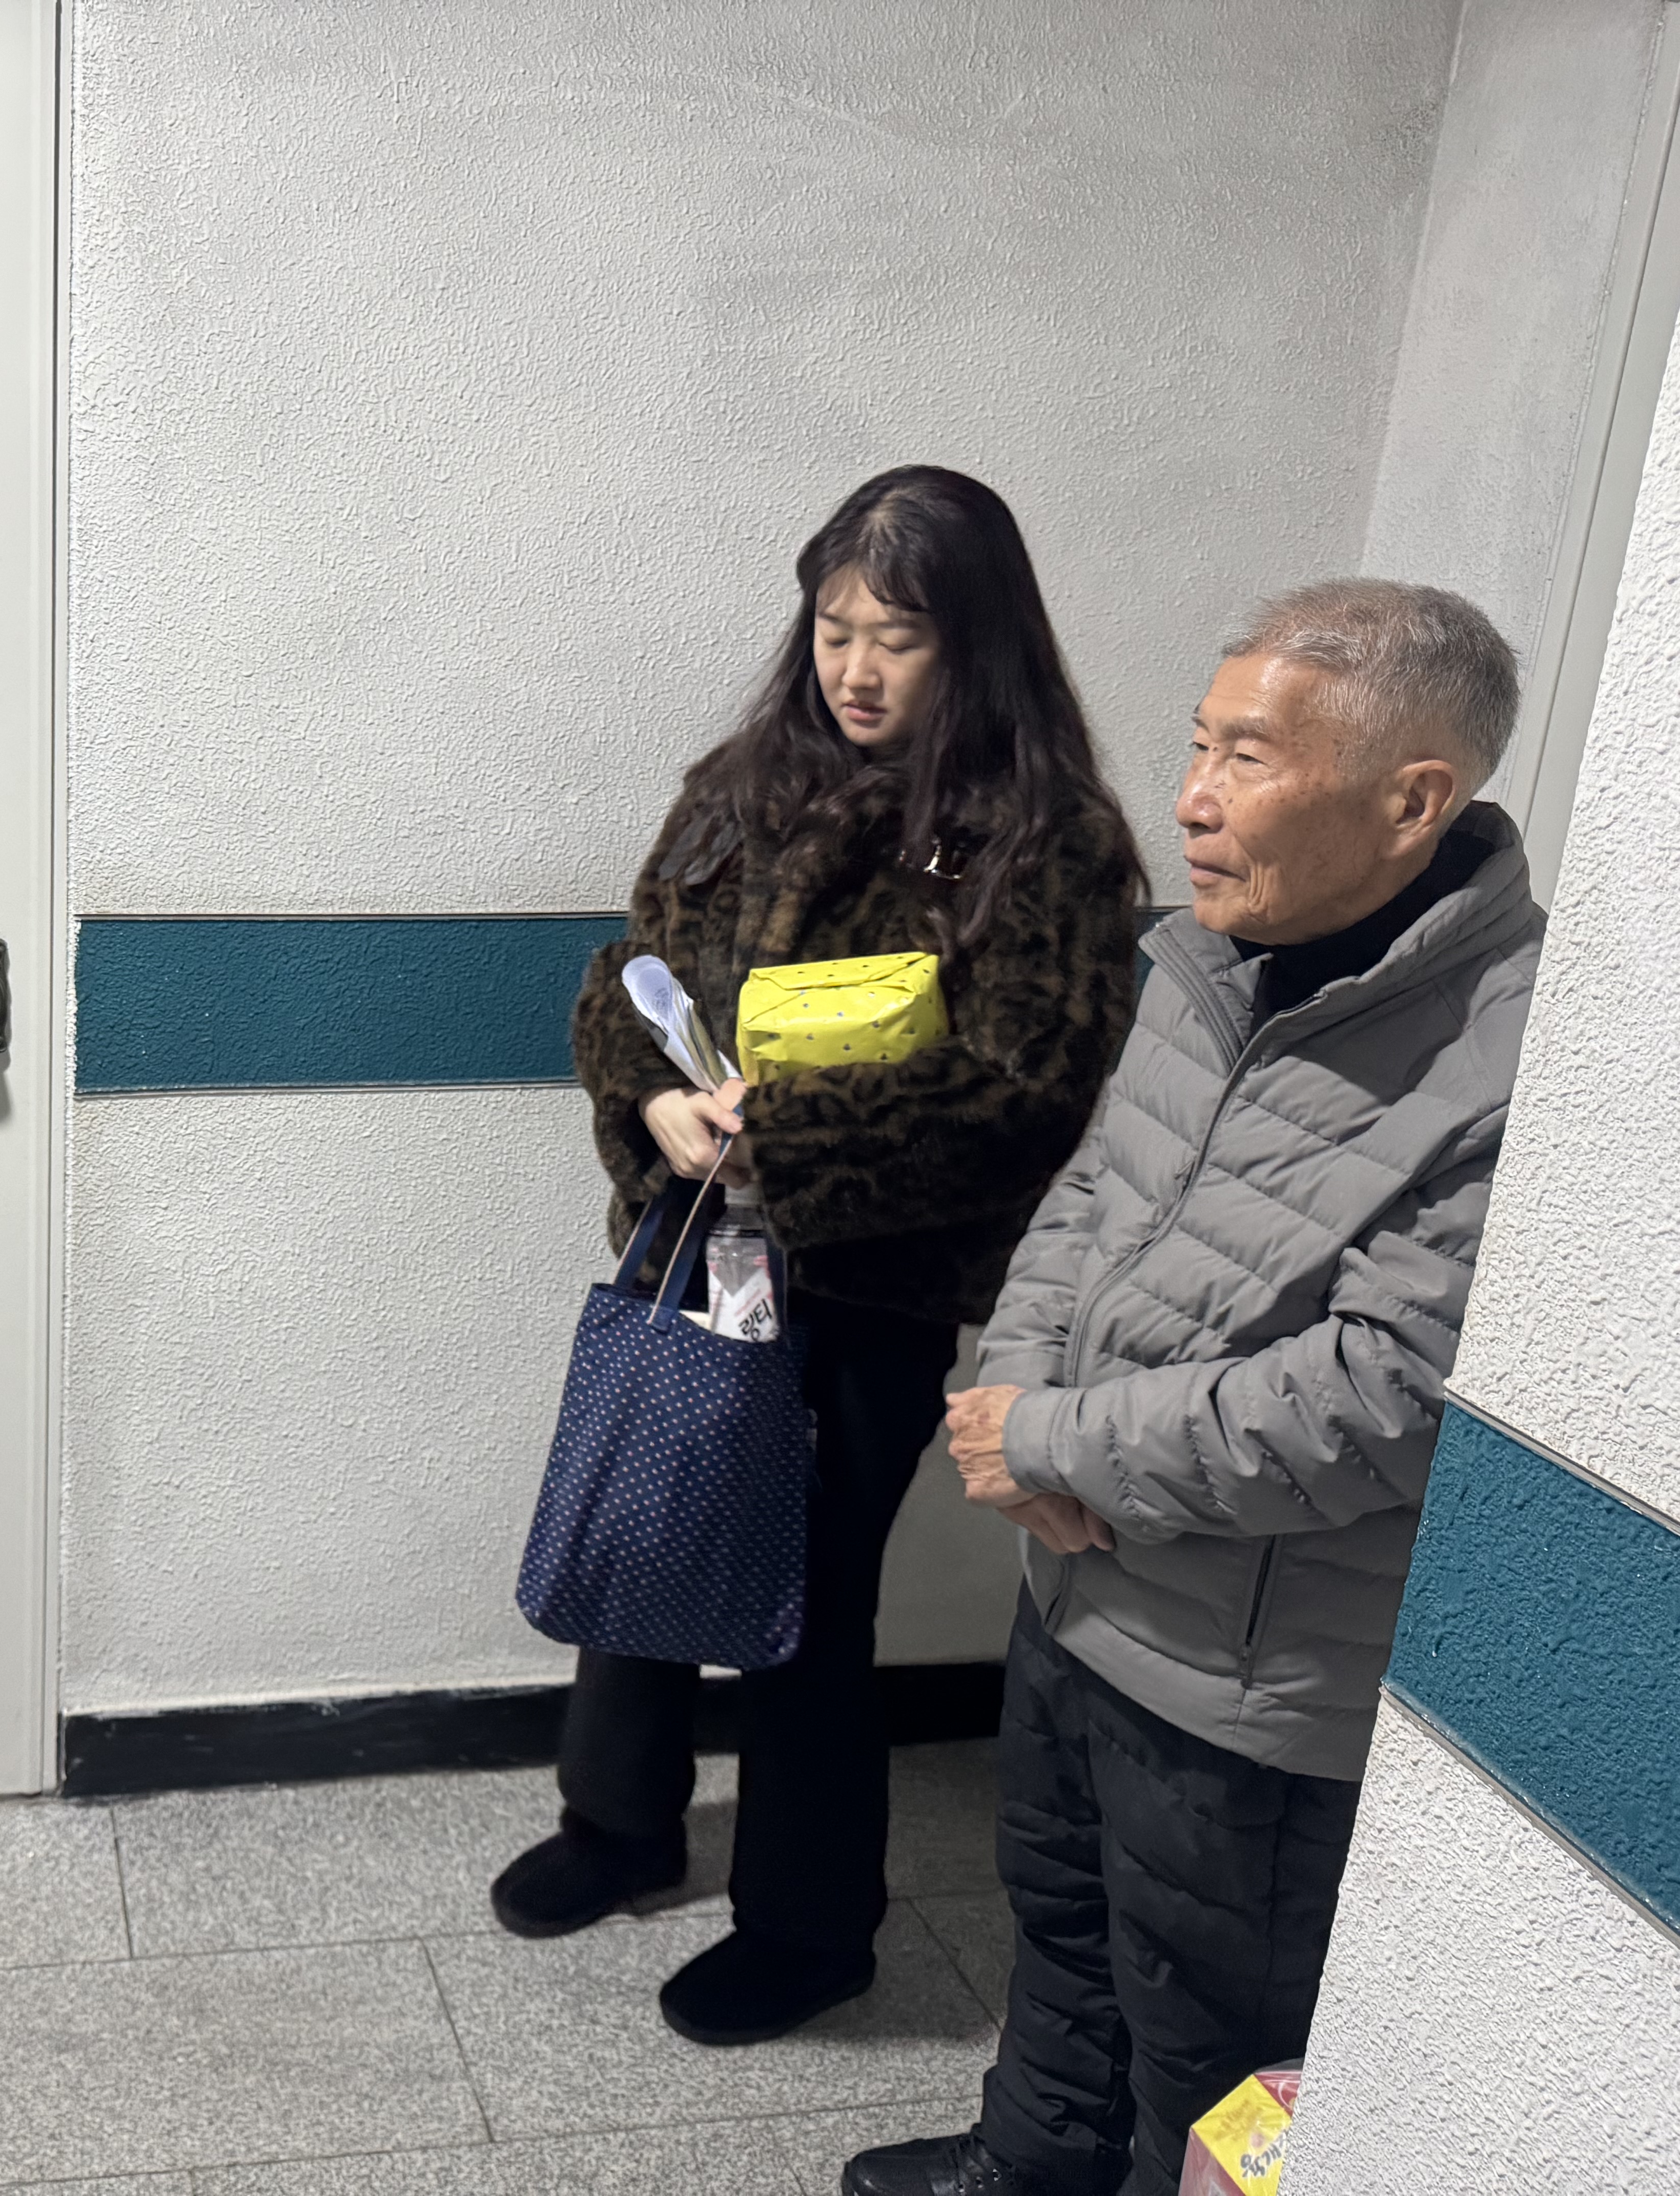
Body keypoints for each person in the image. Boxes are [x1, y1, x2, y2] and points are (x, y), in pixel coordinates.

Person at [841, 580, 1541, 2196]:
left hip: (1248, 1685)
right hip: (1080, 1588)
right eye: (1199, 744)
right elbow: (1093, 1192)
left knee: (1214, 2069)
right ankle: (1029, 2163)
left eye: (1247, 756)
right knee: (1062, 1936)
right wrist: (1013, 1403)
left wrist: (1054, 1439)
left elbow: (1383, 1396)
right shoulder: (1209, 958)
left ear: (1413, 799)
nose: (1192, 798)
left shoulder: (1511, 1057)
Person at [493, 467, 1144, 2046]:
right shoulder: (743, 783)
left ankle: (808, 1928)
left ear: (975, 643)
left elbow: (1025, 1091)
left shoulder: (1045, 841)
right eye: (837, 629)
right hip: (693, 1241)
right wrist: (653, 1101)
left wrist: (782, 1142)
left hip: (867, 1291)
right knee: (645, 1523)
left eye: (897, 639)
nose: (855, 669)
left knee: (808, 1598)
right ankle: (619, 1824)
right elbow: (629, 971)